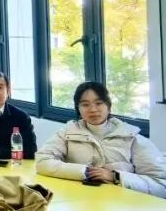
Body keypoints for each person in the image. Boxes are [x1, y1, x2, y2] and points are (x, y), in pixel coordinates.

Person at [36, 82, 166, 197]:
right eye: (85, 104)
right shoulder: (67, 132)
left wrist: (115, 176)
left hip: (124, 206)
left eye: (99, 103)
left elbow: (161, 184)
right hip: (80, 201)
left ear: (108, 106)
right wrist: (85, 172)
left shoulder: (132, 137)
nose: (93, 110)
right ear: (78, 109)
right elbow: (42, 162)